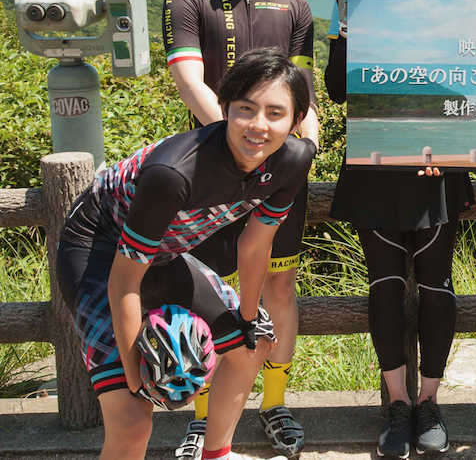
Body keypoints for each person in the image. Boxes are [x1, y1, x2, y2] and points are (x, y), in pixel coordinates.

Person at [56, 49, 316, 460]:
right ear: (224, 109)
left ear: (297, 119)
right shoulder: (174, 172)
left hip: (161, 255)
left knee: (252, 344)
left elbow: (254, 243)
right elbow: (124, 280)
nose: (258, 125)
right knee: (132, 419)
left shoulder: (293, 160)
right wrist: (136, 380)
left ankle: (216, 454)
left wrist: (248, 318)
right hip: (97, 254)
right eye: (246, 109)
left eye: (275, 113)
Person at [162, 0, 318, 459]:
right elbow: (189, 79)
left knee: (279, 284)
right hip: (208, 173)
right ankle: (203, 416)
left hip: (278, 173)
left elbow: (302, 95)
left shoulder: (295, 3)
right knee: (204, 289)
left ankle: (274, 403)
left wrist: (302, 146)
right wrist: (236, 149)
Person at [324, 0, 474, 459]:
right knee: (384, 286)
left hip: (438, 159)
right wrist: (346, 21)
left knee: (436, 287)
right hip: (377, 158)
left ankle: (430, 402)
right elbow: (339, 89)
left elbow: (470, 79)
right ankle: (396, 404)